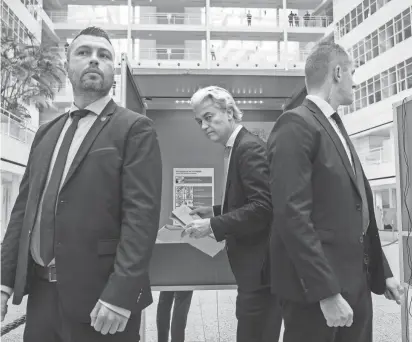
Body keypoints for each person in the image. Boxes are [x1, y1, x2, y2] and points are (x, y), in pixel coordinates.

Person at [0, 26, 162, 342]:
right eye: (84, 53)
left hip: (103, 303)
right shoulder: (46, 134)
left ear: (113, 70)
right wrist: (3, 282)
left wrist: (120, 295)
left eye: (104, 55)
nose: (94, 60)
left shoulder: (135, 129)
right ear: (68, 64)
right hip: (42, 299)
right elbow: (22, 214)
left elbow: (141, 219)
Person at [266, 41, 403, 342]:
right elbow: (292, 216)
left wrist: (384, 273)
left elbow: (358, 207)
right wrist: (326, 293)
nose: (356, 81)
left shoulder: (335, 126)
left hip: (355, 285)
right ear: (337, 72)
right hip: (317, 295)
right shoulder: (295, 124)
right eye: (353, 72)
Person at [183, 86, 282, 342]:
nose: (203, 126)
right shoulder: (238, 146)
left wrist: (212, 225)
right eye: (199, 121)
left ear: (229, 112)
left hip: (261, 272)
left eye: (208, 117)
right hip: (256, 271)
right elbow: (249, 200)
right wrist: (215, 210)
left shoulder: (248, 148)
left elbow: (263, 208)